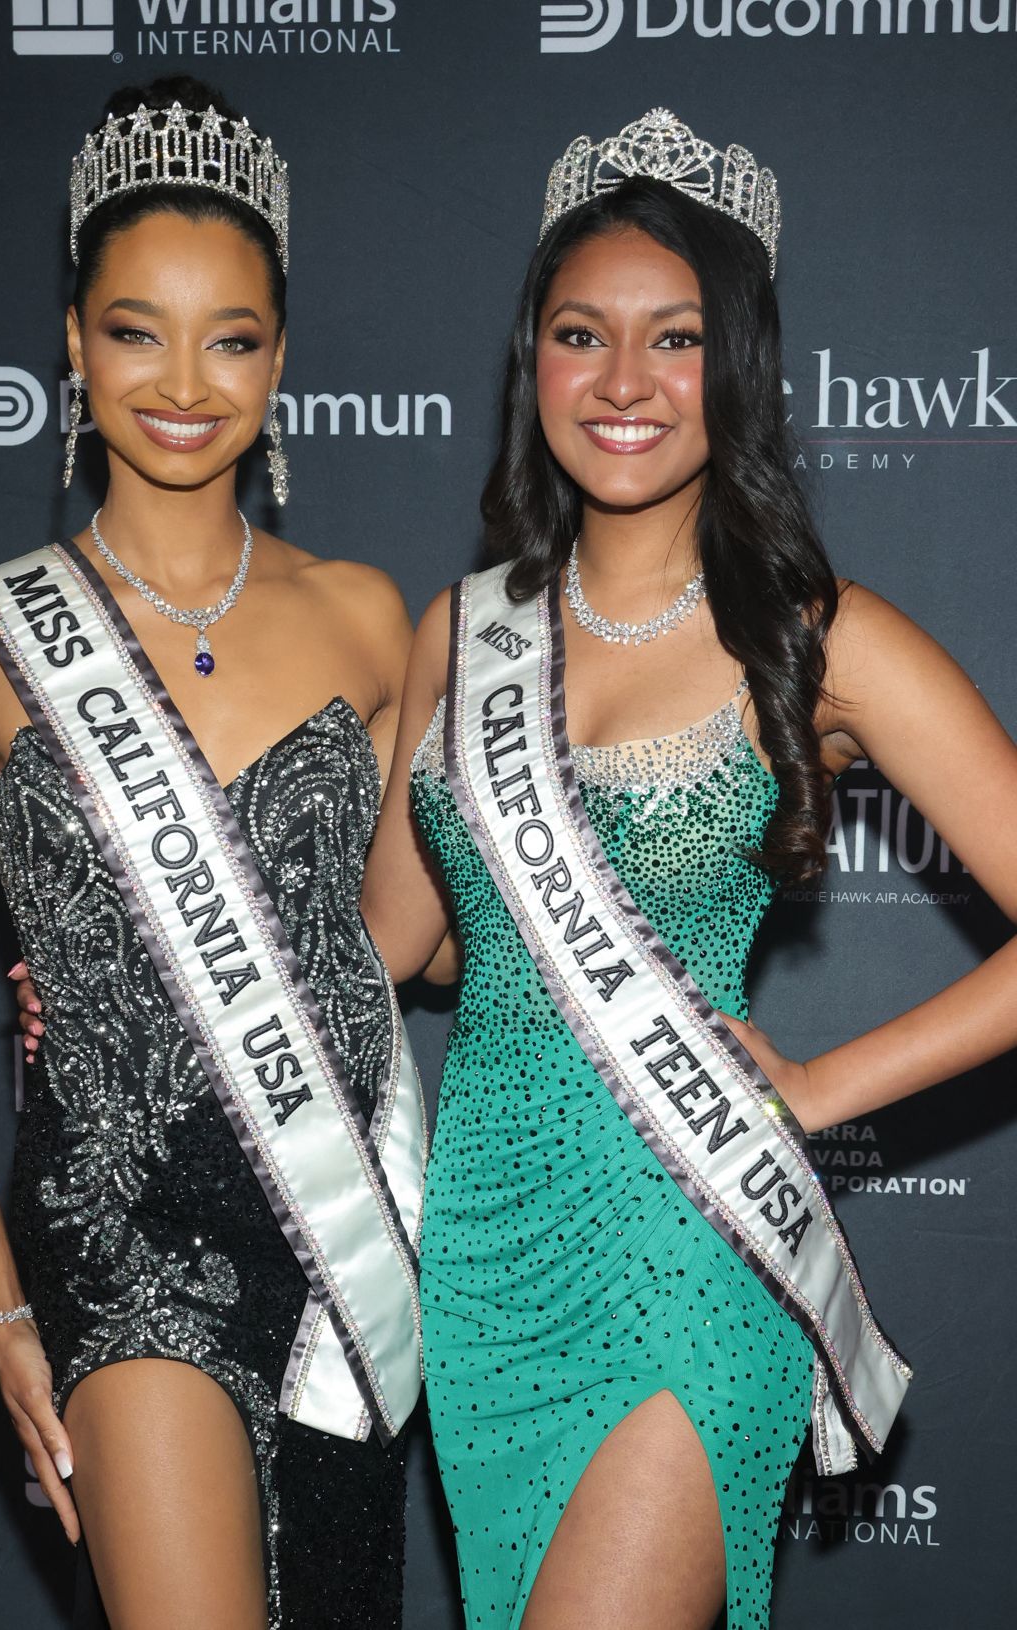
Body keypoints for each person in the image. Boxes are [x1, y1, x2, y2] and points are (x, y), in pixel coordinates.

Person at [355, 110, 1017, 1630]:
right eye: (585, 334)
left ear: (740, 371)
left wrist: (832, 1085)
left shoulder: (820, 633)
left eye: (678, 338)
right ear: (533, 358)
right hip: (486, 1249)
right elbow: (392, 944)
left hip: (687, 1229)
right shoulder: (463, 636)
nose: (627, 382)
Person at [0, 76, 426, 1630]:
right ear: (71, 338)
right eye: (135, 328)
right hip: (120, 1232)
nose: (185, 379)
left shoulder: (368, 617)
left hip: (341, 1239)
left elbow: (410, 936)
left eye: (232, 336)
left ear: (280, 355)